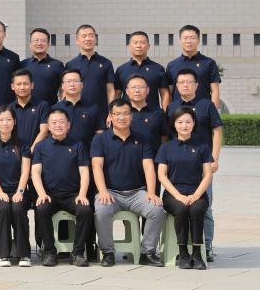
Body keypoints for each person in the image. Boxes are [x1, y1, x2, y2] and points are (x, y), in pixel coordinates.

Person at [90, 99, 165, 267]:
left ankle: (147, 252)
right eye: (117, 114)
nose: (121, 117)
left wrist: (151, 193)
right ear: (110, 117)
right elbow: (97, 167)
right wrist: (103, 191)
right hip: (111, 192)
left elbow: (148, 167)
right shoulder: (100, 139)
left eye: (125, 114)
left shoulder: (142, 138)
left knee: (156, 209)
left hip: (137, 192)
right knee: (101, 210)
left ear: (131, 116)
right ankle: (108, 252)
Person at [166, 69, 223, 262]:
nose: (185, 85)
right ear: (176, 86)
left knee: (205, 207)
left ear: (197, 85)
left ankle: (207, 246)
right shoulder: (172, 106)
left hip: (203, 163)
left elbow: (217, 131)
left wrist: (214, 158)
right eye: (181, 82)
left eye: (189, 82)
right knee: (180, 207)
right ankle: (181, 248)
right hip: (178, 165)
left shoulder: (207, 105)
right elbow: (167, 135)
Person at [31, 108, 93, 267]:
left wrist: (82, 194)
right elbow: (35, 173)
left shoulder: (78, 145)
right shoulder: (40, 147)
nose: (58, 125)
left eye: (61, 122)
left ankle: (77, 253)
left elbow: (84, 172)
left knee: (85, 210)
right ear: (48, 126)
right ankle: (50, 252)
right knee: (42, 209)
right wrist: (41, 194)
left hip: (73, 195)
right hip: (50, 195)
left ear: (68, 125)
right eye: (54, 122)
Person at [156, 105, 214, 270]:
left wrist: (196, 195)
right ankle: (183, 253)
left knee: (197, 209)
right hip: (173, 195)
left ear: (194, 123)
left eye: (188, 122)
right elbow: (162, 176)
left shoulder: (202, 146)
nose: (184, 125)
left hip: (197, 193)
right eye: (180, 122)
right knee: (181, 209)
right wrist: (178, 196)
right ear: (174, 124)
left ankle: (197, 253)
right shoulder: (166, 147)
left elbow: (207, 175)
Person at [0, 106, 32, 267]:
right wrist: (0, 193)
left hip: (18, 190)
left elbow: (25, 172)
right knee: (4, 208)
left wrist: (20, 191)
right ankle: (3, 255)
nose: (5, 123)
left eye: (9, 119)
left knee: (18, 208)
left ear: (14, 122)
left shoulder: (23, 144)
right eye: (1, 120)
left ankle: (24, 254)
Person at [64, 24, 116, 120]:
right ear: (77, 41)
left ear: (95, 39)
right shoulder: (70, 64)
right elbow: (65, 91)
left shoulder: (106, 63)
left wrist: (111, 112)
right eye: (84, 36)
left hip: (101, 113)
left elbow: (110, 90)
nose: (88, 39)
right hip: (77, 112)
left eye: (91, 35)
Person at [165, 24, 221, 107]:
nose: (188, 41)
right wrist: (169, 112)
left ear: (198, 40)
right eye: (185, 38)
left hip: (203, 110)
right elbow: (169, 93)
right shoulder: (172, 65)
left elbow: (215, 91)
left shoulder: (209, 63)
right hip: (179, 112)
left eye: (192, 38)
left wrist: (213, 112)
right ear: (180, 41)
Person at [52, 69, 106, 150]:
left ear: (82, 85)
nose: (72, 84)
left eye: (75, 81)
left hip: (86, 153)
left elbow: (99, 134)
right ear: (63, 86)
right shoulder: (55, 109)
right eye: (68, 81)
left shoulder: (93, 108)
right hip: (60, 152)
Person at [115, 31, 169, 110]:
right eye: (135, 43)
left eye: (142, 43)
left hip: (153, 113)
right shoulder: (121, 70)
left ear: (148, 46)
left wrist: (165, 114)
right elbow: (117, 94)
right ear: (129, 46)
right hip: (127, 114)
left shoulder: (158, 68)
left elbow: (164, 94)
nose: (138, 46)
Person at [20, 28, 64, 107]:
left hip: (51, 110)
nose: (39, 43)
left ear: (48, 44)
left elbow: (63, 89)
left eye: (43, 41)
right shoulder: (23, 64)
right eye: (36, 40)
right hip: (26, 109)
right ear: (30, 44)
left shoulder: (57, 65)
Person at [7, 69, 50, 150]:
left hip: (37, 153)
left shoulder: (42, 106)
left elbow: (44, 131)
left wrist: (30, 152)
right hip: (14, 153)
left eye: (25, 84)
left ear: (32, 85)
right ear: (12, 86)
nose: (22, 87)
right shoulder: (9, 109)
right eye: (18, 84)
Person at [125, 74, 167, 153]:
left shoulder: (158, 113)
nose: (137, 91)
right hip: (128, 157)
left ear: (147, 90)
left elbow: (164, 138)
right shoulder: (121, 114)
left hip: (154, 157)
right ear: (127, 91)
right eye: (133, 87)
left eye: (141, 87)